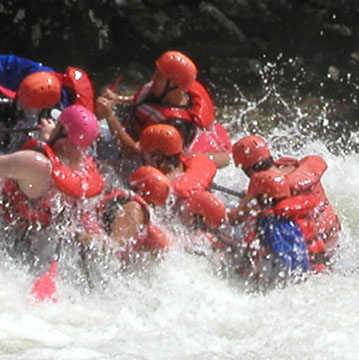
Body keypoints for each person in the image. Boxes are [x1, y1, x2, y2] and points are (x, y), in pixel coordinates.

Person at [0, 104, 104, 265]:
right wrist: (46, 141)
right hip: (29, 240)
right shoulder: (85, 173)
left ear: (62, 133)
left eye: (57, 125)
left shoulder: (37, 163)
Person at [95, 51, 231, 168]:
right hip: (128, 138)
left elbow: (134, 154)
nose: (153, 78)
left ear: (172, 84)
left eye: (159, 75)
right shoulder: (161, 89)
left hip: (142, 161)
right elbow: (144, 101)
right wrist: (118, 99)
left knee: (103, 167)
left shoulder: (174, 124)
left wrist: (110, 117)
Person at [226, 135, 340, 269]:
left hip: (305, 255)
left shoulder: (265, 184)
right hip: (331, 238)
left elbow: (234, 218)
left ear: (247, 169)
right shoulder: (295, 167)